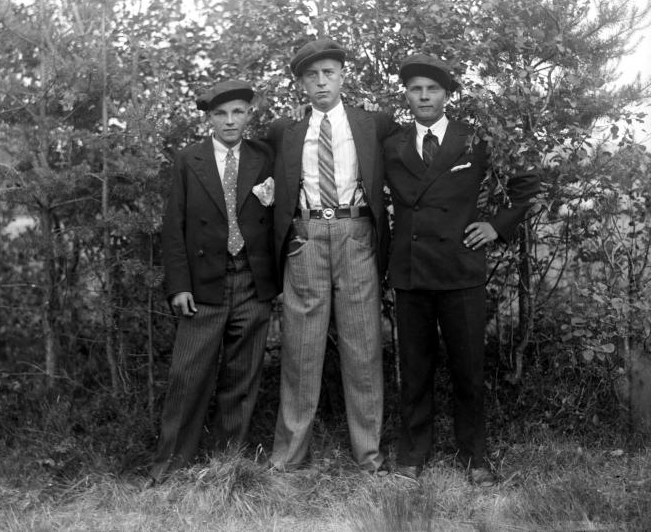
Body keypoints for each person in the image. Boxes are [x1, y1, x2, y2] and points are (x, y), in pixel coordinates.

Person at [384, 54, 540, 486]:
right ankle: (413, 453)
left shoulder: (473, 140)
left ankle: (475, 456)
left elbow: (527, 183)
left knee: (469, 368)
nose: (424, 96)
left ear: (446, 96)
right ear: (407, 95)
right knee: (415, 369)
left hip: (460, 269)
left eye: (432, 89)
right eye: (416, 89)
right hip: (412, 271)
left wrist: (496, 226)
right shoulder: (392, 143)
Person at [266, 39, 398, 473]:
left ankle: (369, 456)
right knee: (301, 350)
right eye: (312, 75)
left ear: (343, 76)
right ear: (301, 83)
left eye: (328, 73)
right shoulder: (284, 131)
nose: (321, 82)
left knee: (363, 349)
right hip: (305, 237)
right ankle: (288, 459)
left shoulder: (373, 123)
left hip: (355, 234)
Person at [149, 80, 278, 484]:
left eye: (238, 112)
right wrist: (179, 285)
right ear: (209, 119)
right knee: (188, 376)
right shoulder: (190, 159)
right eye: (221, 114)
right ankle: (170, 468)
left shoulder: (264, 156)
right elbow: (174, 226)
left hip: (252, 282)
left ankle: (226, 466)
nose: (230, 121)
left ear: (249, 115)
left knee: (242, 378)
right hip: (204, 284)